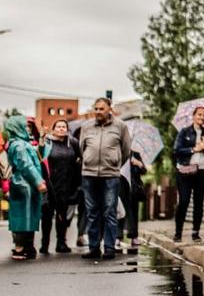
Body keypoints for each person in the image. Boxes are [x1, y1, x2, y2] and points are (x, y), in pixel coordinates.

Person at [79, 98, 131, 260]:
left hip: (110, 175)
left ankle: (109, 247)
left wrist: (115, 163)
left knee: (109, 211)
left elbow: (126, 150)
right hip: (89, 174)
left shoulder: (120, 126)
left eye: (101, 109)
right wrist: (88, 160)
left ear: (109, 109)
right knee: (92, 212)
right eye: (96, 109)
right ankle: (94, 248)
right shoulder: (86, 126)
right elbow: (82, 148)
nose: (98, 112)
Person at [4, 115, 46, 259]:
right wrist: (38, 181)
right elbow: (26, 165)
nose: (27, 128)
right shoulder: (20, 145)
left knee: (26, 215)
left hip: (23, 183)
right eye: (25, 125)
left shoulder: (18, 143)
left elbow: (38, 157)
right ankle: (20, 248)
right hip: (25, 184)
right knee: (24, 217)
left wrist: (42, 141)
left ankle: (26, 247)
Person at [38, 118, 81, 254]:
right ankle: (45, 244)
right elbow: (39, 157)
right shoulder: (47, 142)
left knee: (62, 215)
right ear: (53, 129)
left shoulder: (73, 142)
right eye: (58, 127)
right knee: (47, 215)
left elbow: (80, 158)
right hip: (50, 183)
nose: (61, 129)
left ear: (67, 129)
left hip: (67, 184)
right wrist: (41, 140)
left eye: (64, 127)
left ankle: (61, 243)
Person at [173, 106, 204, 242]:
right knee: (184, 201)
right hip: (185, 171)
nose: (202, 117)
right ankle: (178, 233)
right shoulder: (184, 132)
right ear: (194, 116)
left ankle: (195, 233)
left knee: (199, 203)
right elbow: (176, 150)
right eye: (199, 114)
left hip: (201, 171)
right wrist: (194, 149)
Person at [119, 150, 146, 253]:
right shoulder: (118, 152)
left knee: (134, 212)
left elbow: (144, 171)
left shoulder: (135, 155)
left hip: (133, 189)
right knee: (120, 212)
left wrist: (138, 164)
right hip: (120, 187)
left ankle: (134, 237)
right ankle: (118, 237)